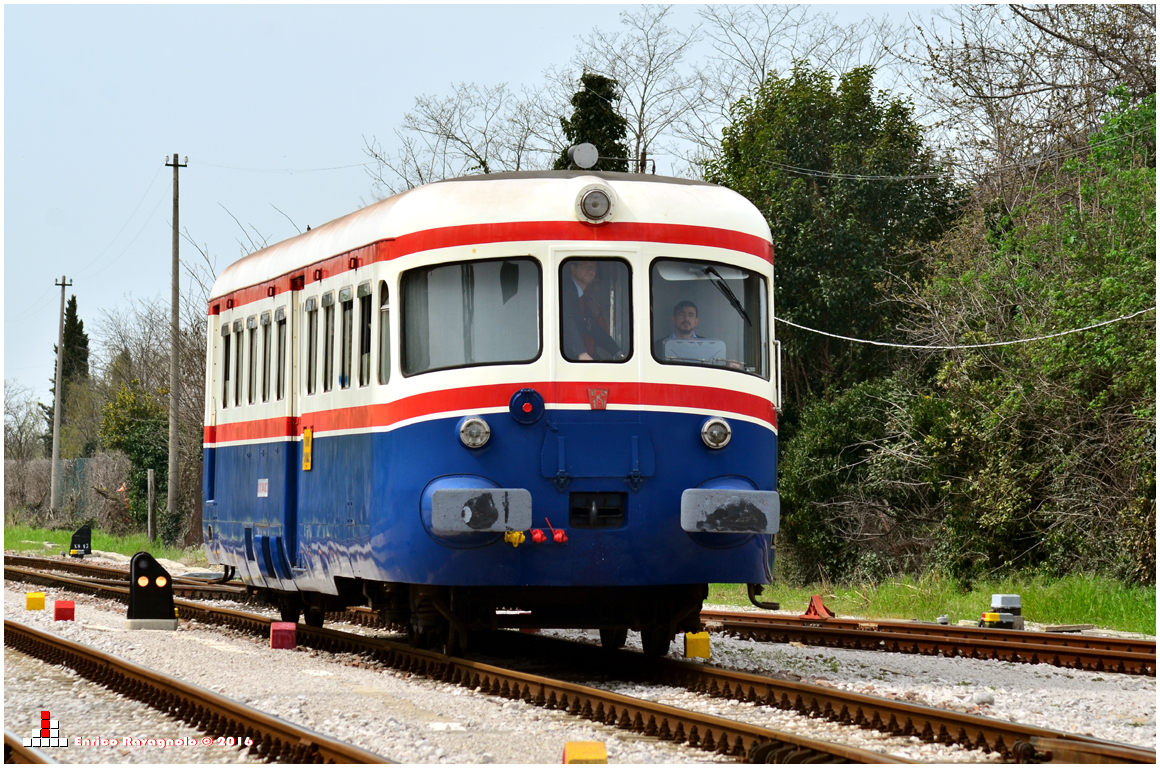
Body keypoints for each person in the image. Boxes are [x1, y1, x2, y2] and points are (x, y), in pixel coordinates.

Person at [561, 261, 622, 361]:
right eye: (586, 265)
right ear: (573, 269)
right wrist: (581, 353)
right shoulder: (565, 291)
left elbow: (593, 327)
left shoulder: (580, 297)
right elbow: (567, 322)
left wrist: (618, 352)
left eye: (593, 267)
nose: (591, 270)